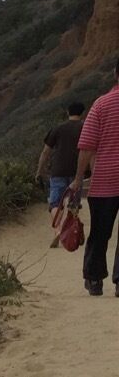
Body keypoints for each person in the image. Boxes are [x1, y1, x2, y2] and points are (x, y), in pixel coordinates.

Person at [73, 66, 119, 295]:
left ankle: (94, 279)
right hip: (107, 180)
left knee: (100, 232)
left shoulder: (101, 104)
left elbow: (87, 146)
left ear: (115, 74)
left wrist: (78, 179)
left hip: (106, 180)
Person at [40, 100, 86, 209]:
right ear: (82, 113)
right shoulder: (86, 128)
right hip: (77, 172)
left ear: (67, 112)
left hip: (58, 171)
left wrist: (40, 170)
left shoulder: (57, 128)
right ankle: (71, 225)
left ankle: (59, 225)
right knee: (74, 206)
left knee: (55, 205)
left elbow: (45, 152)